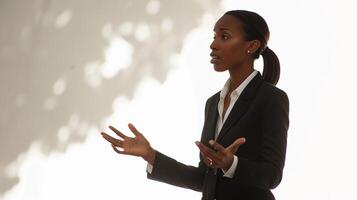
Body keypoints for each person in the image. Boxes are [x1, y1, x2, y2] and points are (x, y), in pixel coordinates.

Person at [101, 10, 289, 200]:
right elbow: (204, 179)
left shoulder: (272, 99)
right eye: (214, 36)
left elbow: (272, 176)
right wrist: (151, 155)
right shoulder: (213, 103)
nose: (213, 44)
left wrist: (231, 164)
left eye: (224, 36)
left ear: (252, 46)